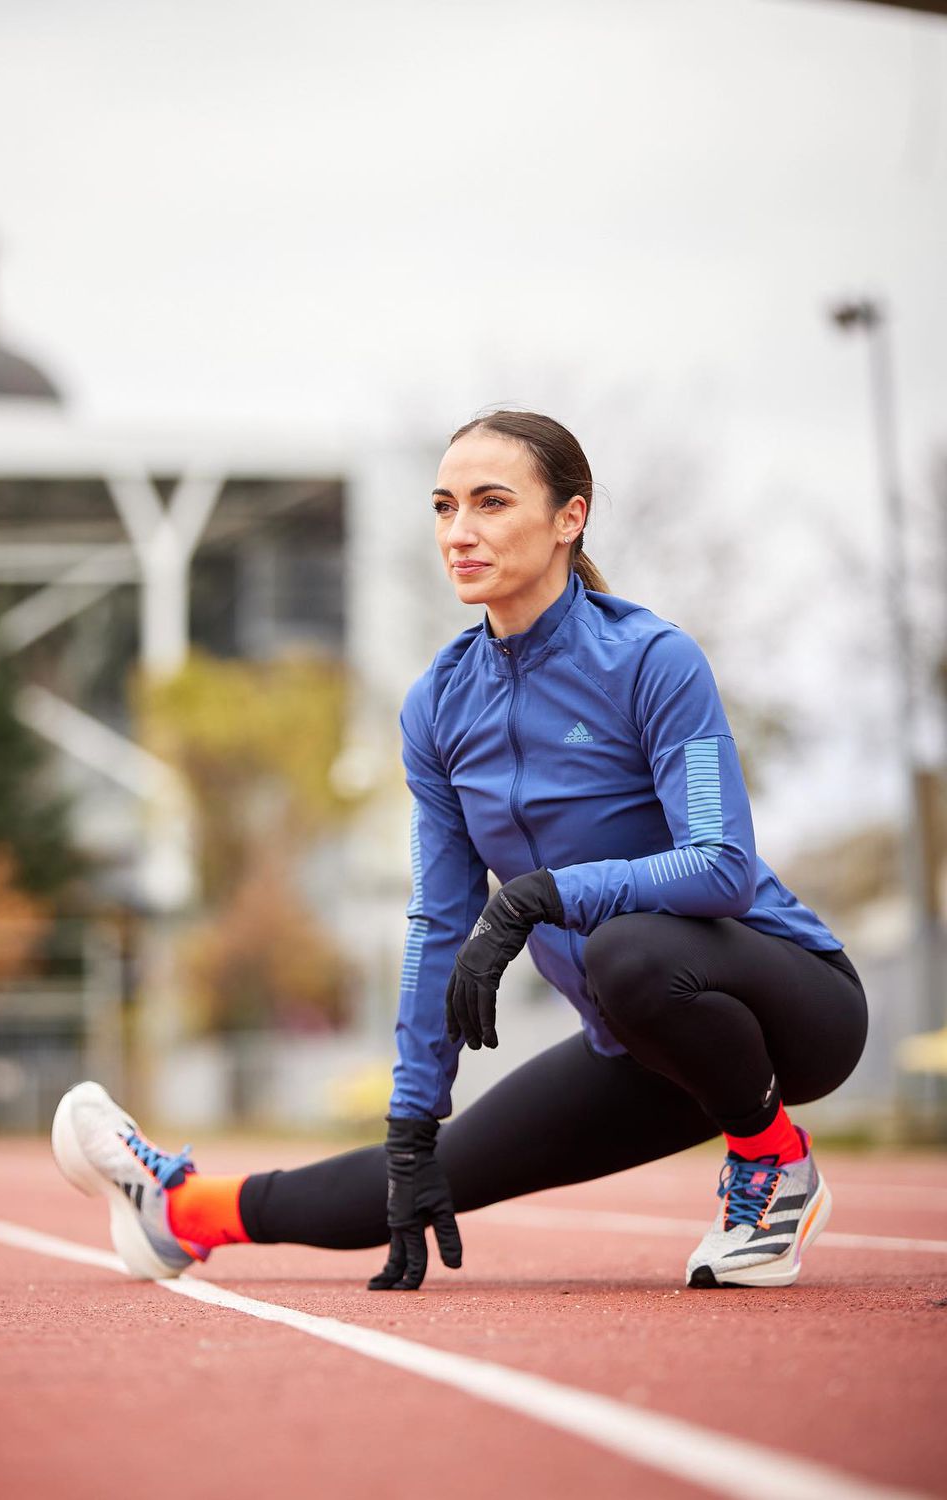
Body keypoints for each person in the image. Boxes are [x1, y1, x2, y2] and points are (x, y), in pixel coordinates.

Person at [52, 410, 867, 1292]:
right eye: (444, 507)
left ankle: (776, 1164)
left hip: (790, 1003)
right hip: (638, 1038)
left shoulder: (652, 661)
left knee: (626, 948)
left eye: (490, 503)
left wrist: (536, 895)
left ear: (569, 518)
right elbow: (440, 920)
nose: (459, 533)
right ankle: (177, 1212)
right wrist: (412, 1115)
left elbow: (720, 865)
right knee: (416, 1179)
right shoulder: (438, 706)